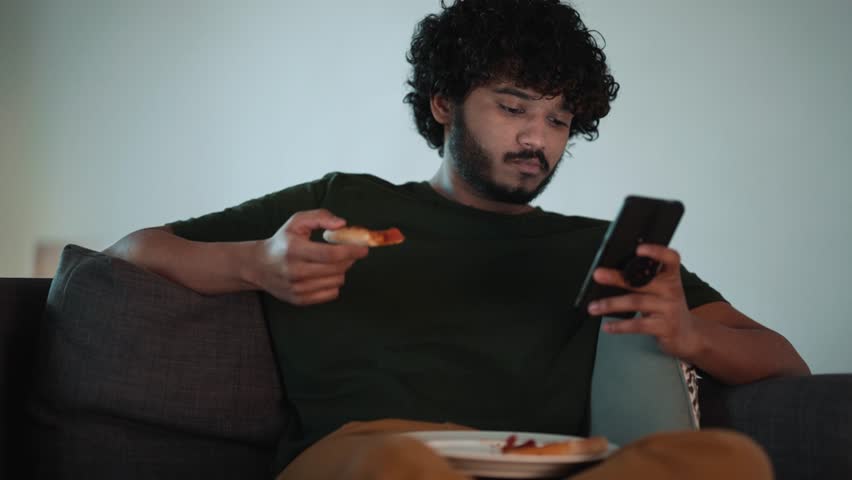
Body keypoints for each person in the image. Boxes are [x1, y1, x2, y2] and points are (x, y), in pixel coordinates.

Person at [106, 0, 809, 478]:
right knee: (400, 467)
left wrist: (689, 336)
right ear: (445, 103)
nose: (538, 138)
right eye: (513, 108)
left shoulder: (603, 249)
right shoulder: (342, 201)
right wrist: (258, 264)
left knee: (727, 461)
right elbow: (130, 253)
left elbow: (786, 363)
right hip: (373, 457)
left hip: (553, 465)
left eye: (561, 120)